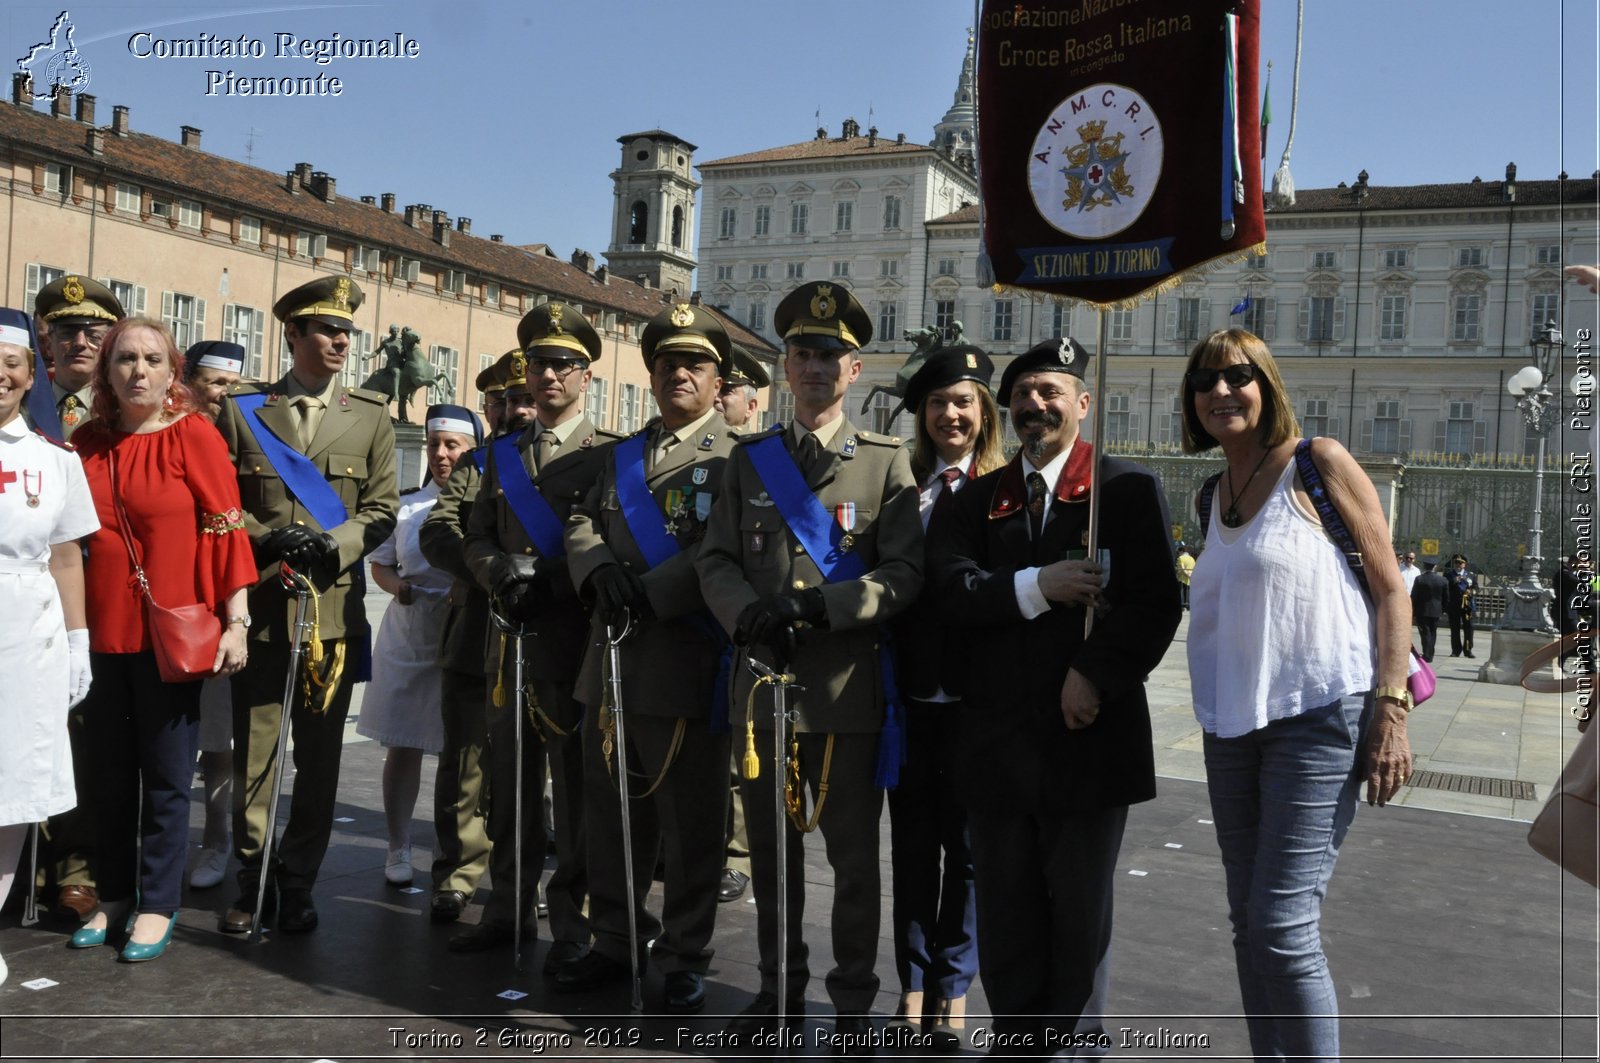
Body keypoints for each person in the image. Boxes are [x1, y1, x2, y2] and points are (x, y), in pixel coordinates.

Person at [937, 336, 1181, 1053]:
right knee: (1008, 911)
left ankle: (1074, 1044)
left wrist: (1094, 671)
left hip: (1088, 737)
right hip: (999, 740)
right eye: (1023, 394)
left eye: (1051, 391)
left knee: (1079, 912)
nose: (1035, 404)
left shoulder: (1125, 490)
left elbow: (1153, 604)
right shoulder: (978, 500)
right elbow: (952, 594)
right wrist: (1036, 586)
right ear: (1006, 408)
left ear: (1083, 402)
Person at [696, 280, 923, 1046]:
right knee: (772, 856)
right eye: (802, 353)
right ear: (783, 367)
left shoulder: (888, 464)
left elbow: (902, 575)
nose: (816, 366)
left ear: (854, 370)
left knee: (855, 867)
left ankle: (852, 1000)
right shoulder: (747, 461)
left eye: (831, 354)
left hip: (844, 696)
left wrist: (819, 607)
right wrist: (747, 614)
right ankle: (777, 990)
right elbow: (716, 558)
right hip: (762, 693)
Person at [1180, 328, 1412, 1060]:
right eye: (1208, 380)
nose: (1223, 391)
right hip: (1230, 723)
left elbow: (1390, 588)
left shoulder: (1318, 464)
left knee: (1282, 924)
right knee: (1249, 922)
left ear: (1267, 385)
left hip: (1319, 716)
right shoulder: (1210, 494)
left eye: (1239, 376)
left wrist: (1392, 707)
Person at [561, 302, 740, 1012]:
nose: (678, 375)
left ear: (718, 379)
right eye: (667, 364)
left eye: (693, 364)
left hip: (683, 661)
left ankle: (685, 952)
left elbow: (721, 552)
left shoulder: (737, 460)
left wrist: (649, 590)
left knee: (691, 824)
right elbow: (581, 519)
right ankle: (615, 939)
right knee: (607, 817)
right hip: (608, 661)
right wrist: (594, 566)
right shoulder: (620, 454)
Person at [212, 276, 399, 934]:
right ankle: (252, 874)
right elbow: (220, 505)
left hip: (332, 616)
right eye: (325, 328)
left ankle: (298, 880)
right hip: (262, 608)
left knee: (319, 759)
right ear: (291, 334)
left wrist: (331, 542)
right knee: (257, 753)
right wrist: (268, 538)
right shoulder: (243, 409)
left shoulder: (372, 414)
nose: (341, 338)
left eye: (346, 329)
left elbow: (382, 510)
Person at [69, 318, 255, 962]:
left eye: (152, 359)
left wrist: (237, 620)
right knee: (107, 780)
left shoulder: (193, 436)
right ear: (106, 371)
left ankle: (157, 903)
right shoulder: (85, 442)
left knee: (169, 775)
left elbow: (228, 530)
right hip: (96, 635)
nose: (138, 371)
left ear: (172, 370)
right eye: (125, 360)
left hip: (168, 635)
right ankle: (115, 894)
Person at [459, 303, 620, 966]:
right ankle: (507, 906)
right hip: (509, 647)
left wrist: (547, 578)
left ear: (587, 375)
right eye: (538, 363)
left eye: (563, 364)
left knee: (575, 791)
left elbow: (610, 545)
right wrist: (500, 570)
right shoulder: (501, 456)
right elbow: (474, 537)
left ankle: (573, 923)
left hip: (569, 644)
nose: (548, 375)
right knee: (509, 784)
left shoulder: (610, 454)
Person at [885, 344, 1004, 1050]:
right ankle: (913, 983)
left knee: (967, 855)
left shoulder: (1002, 490)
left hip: (975, 705)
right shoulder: (902, 488)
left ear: (983, 412)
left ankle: (954, 989)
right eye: (937, 403)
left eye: (962, 402)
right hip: (907, 700)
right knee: (910, 850)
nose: (950, 415)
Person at [0, 308, 97, 985]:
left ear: (30, 375)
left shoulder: (55, 461)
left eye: (10, 364)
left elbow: (66, 556)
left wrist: (78, 641)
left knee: (14, 788)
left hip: (26, 636)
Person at [30, 275, 125, 923]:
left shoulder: (122, 413)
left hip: (94, 598)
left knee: (84, 737)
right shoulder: (16, 400)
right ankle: (21, 862)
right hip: (21, 592)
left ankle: (76, 865)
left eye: (94, 330)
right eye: (67, 330)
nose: (81, 341)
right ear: (46, 340)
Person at [357, 404, 483, 885]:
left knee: (462, 754)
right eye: (434, 444)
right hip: (411, 632)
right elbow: (382, 564)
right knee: (403, 746)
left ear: (472, 449)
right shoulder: (406, 505)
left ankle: (457, 848)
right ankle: (397, 845)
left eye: (453, 445)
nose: (441, 454)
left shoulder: (482, 504)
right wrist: (397, 588)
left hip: (461, 631)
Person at [417, 363, 511, 923]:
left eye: (519, 398)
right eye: (498, 401)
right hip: (475, 629)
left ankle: (521, 876)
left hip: (544, 635)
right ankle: (458, 872)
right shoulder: (476, 466)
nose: (510, 410)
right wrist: (490, 571)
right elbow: (437, 530)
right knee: (464, 765)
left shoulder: (576, 460)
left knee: (530, 769)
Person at [181, 340, 246, 890]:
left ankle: (217, 842)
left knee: (219, 743)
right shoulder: (171, 432)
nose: (225, 396)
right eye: (216, 384)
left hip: (222, 605)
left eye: (232, 385)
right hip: (172, 604)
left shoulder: (247, 442)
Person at [714, 343, 772, 905]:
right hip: (699, 615)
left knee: (740, 751)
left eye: (731, 389)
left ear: (751, 405)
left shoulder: (754, 457)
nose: (720, 395)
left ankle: (734, 853)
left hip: (742, 627)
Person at [35, 275, 124, 441]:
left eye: (93, 335)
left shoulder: (123, 409)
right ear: (49, 344)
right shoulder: (25, 404)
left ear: (109, 345)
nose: (80, 343)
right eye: (67, 334)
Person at [714, 344, 768, 432]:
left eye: (726, 391)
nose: (715, 397)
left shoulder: (754, 446)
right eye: (712, 389)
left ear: (750, 407)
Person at [1411, 560, 1448, 663]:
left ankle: (1427, 654)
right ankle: (1430, 653)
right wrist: (1443, 610)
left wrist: (1412, 609)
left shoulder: (1419, 579)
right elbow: (1446, 597)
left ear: (1424, 566)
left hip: (1422, 610)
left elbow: (1414, 596)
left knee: (1425, 633)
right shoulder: (1442, 580)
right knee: (1432, 632)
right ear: (1435, 567)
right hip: (1436, 610)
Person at [1446, 554, 1477, 658]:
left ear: (1465, 564)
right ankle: (1456, 650)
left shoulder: (1471, 575)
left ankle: (1468, 650)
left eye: (1460, 563)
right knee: (1455, 628)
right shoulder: (1449, 575)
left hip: (1467, 605)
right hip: (1454, 605)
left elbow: (1476, 587)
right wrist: (1454, 581)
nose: (1458, 565)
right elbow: (1445, 588)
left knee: (1469, 628)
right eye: (1456, 562)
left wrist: (1471, 591)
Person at [1175, 544, 1195, 609]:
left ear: (1181, 552)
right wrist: (1190, 574)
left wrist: (1186, 573)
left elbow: (1181, 569)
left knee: (1182, 592)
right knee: (1188, 592)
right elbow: (1195, 568)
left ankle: (1182, 606)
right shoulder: (1192, 558)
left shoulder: (1180, 558)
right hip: (1190, 578)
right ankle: (1188, 605)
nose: (1178, 554)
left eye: (1178, 553)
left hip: (1182, 578)